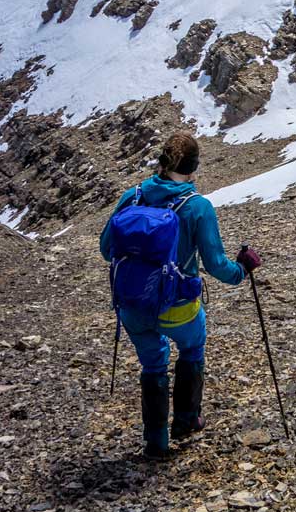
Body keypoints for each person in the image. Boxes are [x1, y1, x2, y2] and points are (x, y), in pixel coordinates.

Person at [100, 131, 262, 458]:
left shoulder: (131, 197)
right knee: (192, 345)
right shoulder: (197, 206)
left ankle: (156, 441)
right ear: (193, 168)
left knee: (153, 365)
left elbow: (107, 250)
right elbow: (217, 266)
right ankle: (187, 420)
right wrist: (243, 269)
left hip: (132, 305)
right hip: (177, 306)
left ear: (161, 163)